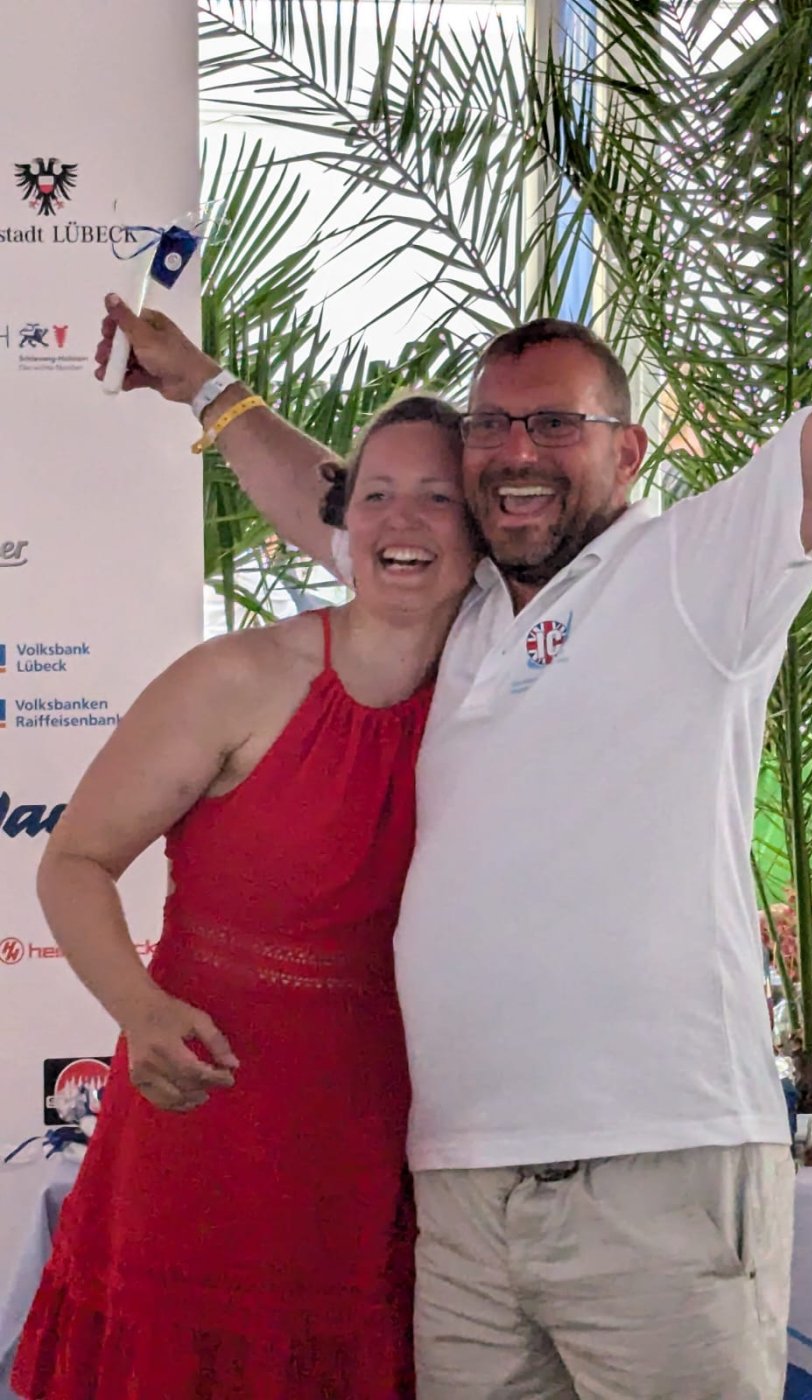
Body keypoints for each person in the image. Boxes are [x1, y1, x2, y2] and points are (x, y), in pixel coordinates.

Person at [90, 136, 812, 1399]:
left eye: (556, 421)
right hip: (461, 1185)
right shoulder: (453, 600)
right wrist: (204, 387)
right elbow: (342, 499)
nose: (516, 448)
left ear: (630, 449)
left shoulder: (694, 570)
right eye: (491, 424)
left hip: (658, 1169)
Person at [11, 396, 477, 1399]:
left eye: (438, 498)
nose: (403, 520)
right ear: (342, 521)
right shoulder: (235, 675)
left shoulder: (500, 696)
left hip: (390, 1148)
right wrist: (140, 1010)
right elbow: (74, 861)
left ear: (479, 529)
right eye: (378, 494)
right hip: (207, 1126)